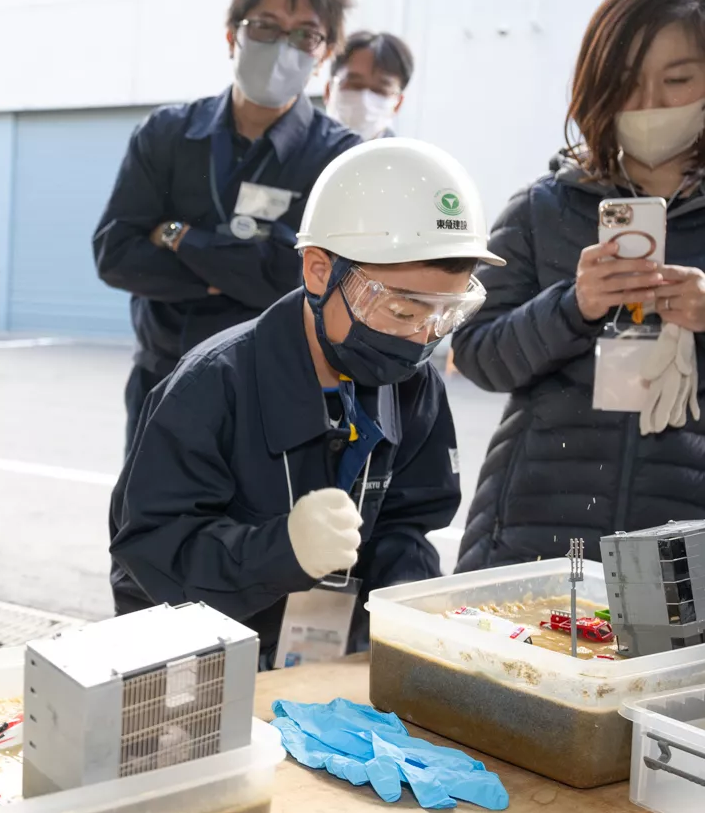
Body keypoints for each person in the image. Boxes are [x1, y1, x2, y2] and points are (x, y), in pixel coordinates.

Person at [111, 139, 495, 665]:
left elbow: (408, 522)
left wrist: (412, 603)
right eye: (402, 312)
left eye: (444, 315)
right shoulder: (212, 386)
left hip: (332, 666)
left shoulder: (413, 386)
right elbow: (150, 556)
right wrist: (281, 551)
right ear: (319, 271)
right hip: (205, 672)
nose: (420, 338)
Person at [454, 0, 705, 571]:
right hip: (530, 533)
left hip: (680, 547)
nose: (648, 103)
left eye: (677, 80)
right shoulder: (543, 208)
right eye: (625, 82)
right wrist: (573, 306)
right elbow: (474, 352)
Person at [94, 0, 361, 452]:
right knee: (148, 526)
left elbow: (311, 282)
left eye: (306, 34)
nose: (284, 46)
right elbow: (115, 255)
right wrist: (244, 269)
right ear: (231, 36)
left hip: (278, 392)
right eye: (266, 26)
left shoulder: (340, 158)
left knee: (268, 530)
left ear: (323, 55)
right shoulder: (167, 135)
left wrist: (179, 237)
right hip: (163, 381)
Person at [324, 30, 413, 140]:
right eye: (355, 85)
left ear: (398, 104)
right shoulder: (301, 151)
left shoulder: (404, 157)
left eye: (379, 90)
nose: (365, 100)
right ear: (328, 91)